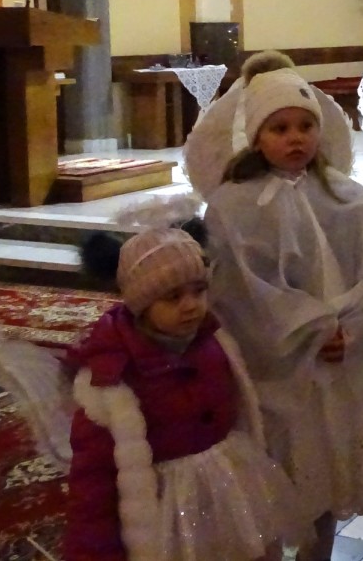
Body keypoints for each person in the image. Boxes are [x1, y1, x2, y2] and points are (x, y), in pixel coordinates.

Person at [200, 52, 363, 561]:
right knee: (273, 470)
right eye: (279, 128)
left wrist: (351, 329)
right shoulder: (233, 205)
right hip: (274, 368)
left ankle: (318, 552)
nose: (295, 138)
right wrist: (308, 329)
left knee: (327, 468)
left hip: (336, 366)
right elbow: (242, 291)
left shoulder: (349, 199)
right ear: (257, 135)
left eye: (305, 126)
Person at [59, 227, 303, 561]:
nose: (191, 306)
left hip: (227, 491)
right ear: (142, 304)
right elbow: (93, 480)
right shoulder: (111, 378)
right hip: (165, 515)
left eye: (198, 291)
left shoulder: (215, 342)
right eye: (173, 297)